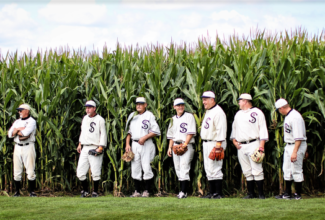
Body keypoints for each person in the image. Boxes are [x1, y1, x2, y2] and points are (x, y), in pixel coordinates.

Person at [230, 93, 268, 199]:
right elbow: (234, 129)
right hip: (241, 145)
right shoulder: (238, 114)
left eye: (240, 100)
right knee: (246, 170)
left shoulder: (257, 112)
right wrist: (234, 141)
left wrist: (261, 146)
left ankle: (261, 194)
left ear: (245, 101)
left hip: (254, 143)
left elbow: (263, 129)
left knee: (257, 169)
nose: (238, 102)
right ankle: (251, 193)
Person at [125, 97, 161, 197]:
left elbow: (156, 131)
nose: (139, 105)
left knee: (146, 166)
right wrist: (127, 144)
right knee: (135, 167)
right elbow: (129, 133)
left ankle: (147, 191)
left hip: (146, 144)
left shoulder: (149, 115)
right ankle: (137, 191)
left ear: (145, 105)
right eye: (137, 104)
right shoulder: (132, 115)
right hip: (134, 143)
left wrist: (145, 137)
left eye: (141, 103)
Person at [274, 98, 307, 200]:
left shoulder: (295, 117)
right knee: (287, 169)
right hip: (289, 145)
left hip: (296, 144)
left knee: (296, 169)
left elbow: (299, 137)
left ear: (282, 108)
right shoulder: (289, 116)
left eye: (279, 110)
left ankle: (297, 194)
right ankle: (287, 193)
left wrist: (295, 152)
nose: (279, 112)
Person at [76, 100, 107, 198]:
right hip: (85, 147)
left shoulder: (100, 119)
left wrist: (101, 147)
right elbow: (83, 131)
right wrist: (80, 143)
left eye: (89, 107)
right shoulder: (85, 118)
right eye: (86, 107)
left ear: (94, 108)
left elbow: (103, 134)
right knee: (80, 172)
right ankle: (85, 190)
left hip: (95, 146)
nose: (87, 109)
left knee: (95, 171)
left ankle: (95, 192)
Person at [167, 98, 196, 199]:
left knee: (184, 167)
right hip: (175, 145)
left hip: (186, 145)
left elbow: (191, 132)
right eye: (178, 105)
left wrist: (185, 144)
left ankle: (184, 191)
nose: (181, 107)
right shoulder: (173, 119)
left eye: (182, 105)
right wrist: (169, 148)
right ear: (174, 107)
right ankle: (182, 191)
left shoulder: (189, 116)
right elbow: (171, 136)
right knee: (178, 168)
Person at [200, 91, 227, 199]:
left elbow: (221, 129)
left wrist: (218, 145)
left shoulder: (218, 112)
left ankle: (218, 193)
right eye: (203, 99)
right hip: (207, 142)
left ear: (212, 99)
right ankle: (211, 192)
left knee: (215, 168)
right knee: (208, 168)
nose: (203, 102)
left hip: (215, 142)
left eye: (206, 99)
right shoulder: (209, 111)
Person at [8, 103, 37, 197]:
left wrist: (16, 131)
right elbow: (9, 134)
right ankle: (17, 192)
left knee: (30, 170)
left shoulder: (31, 121)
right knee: (16, 170)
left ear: (27, 111)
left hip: (28, 146)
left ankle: (31, 192)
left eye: (21, 110)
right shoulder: (17, 122)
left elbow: (25, 133)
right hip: (17, 146)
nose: (19, 112)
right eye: (19, 110)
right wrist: (17, 130)